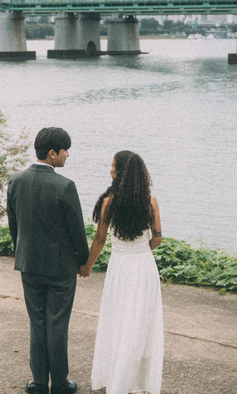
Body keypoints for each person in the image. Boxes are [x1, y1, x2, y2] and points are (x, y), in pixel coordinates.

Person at [7, 127, 90, 394]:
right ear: (52, 153)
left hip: (28, 263)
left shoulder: (15, 180)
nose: (68, 155)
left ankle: (39, 383)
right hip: (60, 268)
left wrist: (21, 252)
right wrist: (84, 261)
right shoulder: (65, 186)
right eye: (65, 150)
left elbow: (14, 225)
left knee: (37, 322)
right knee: (57, 324)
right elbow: (77, 231)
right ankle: (61, 384)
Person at [80, 150, 164, 394]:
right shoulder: (151, 202)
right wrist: (141, 250)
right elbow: (158, 238)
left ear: (120, 172)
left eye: (113, 166)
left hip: (120, 267)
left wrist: (88, 266)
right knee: (140, 324)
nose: (110, 170)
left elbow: (100, 239)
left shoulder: (109, 202)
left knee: (118, 320)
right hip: (144, 266)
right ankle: (137, 382)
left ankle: (117, 378)